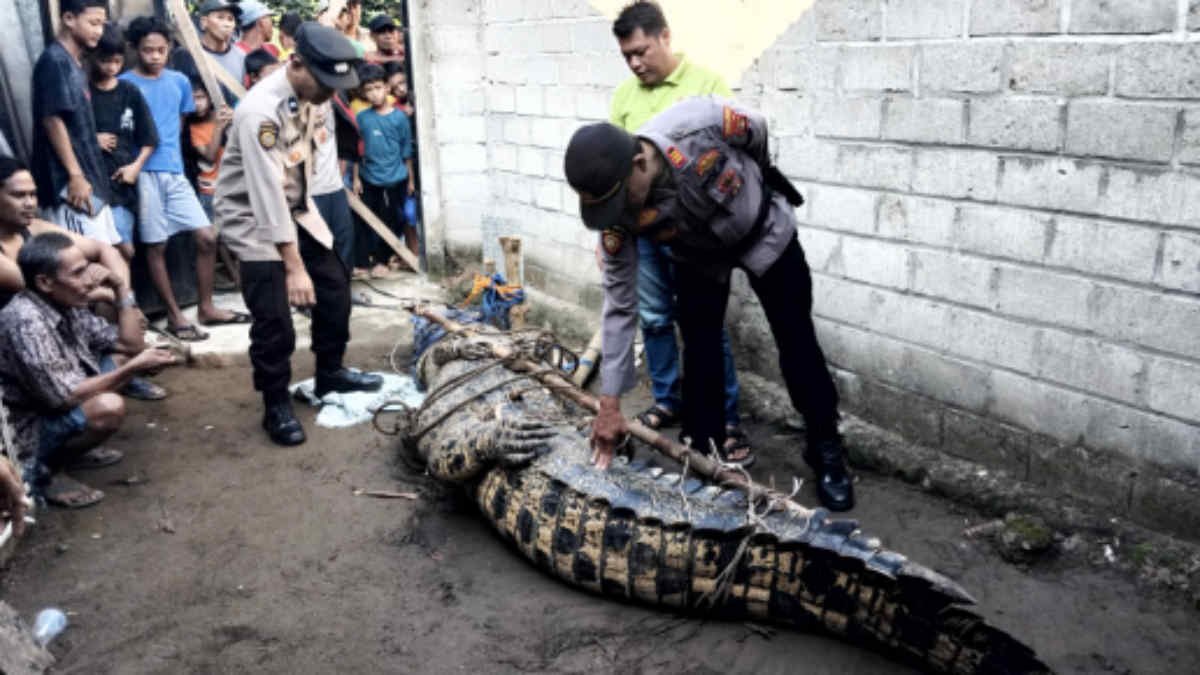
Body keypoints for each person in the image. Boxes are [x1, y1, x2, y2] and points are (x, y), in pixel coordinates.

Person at [564, 98, 855, 511]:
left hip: (764, 233)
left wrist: (754, 184)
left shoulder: (699, 126)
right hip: (698, 257)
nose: (620, 215)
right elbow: (619, 307)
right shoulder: (615, 210)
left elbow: (757, 131)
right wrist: (609, 405)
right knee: (700, 353)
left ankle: (826, 446)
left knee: (796, 341)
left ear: (639, 163)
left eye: (621, 202)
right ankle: (705, 454)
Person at [214, 22, 383, 446]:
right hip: (252, 215)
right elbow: (266, 193)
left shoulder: (312, 94)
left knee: (334, 287)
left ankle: (330, 374)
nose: (330, 93)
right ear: (296, 64)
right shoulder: (259, 112)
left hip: (294, 206)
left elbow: (299, 168)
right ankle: (275, 404)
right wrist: (293, 268)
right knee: (275, 319)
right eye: (325, 82)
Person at [606, 1, 751, 463]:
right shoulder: (625, 97)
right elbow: (613, 172)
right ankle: (668, 398)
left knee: (703, 324)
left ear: (665, 37)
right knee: (652, 318)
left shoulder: (705, 85)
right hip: (644, 232)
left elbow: (732, 155)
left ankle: (725, 416)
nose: (635, 63)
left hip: (696, 235)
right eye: (627, 55)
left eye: (641, 51)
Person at [0, 232, 178, 507]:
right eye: (78, 273)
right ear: (45, 282)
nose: (90, 279)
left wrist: (120, 289)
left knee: (119, 360)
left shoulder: (67, 302)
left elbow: (129, 344)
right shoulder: (26, 321)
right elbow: (62, 399)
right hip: (24, 431)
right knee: (107, 406)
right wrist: (132, 370)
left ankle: (71, 454)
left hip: (54, 401)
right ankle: (46, 473)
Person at [121, 16, 249, 340]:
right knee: (156, 245)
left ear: (170, 49)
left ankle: (206, 307)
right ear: (136, 49)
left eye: (161, 50)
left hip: (175, 172)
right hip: (144, 173)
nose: (155, 56)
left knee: (206, 236)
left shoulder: (178, 81)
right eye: (148, 50)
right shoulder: (124, 84)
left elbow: (178, 126)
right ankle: (175, 316)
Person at [30, 0, 122, 245]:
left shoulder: (76, 64)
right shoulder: (55, 61)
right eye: (93, 23)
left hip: (89, 180)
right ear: (69, 19)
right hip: (68, 187)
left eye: (102, 24)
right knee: (86, 260)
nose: (99, 31)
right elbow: (52, 120)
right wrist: (75, 175)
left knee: (109, 252)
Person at [0, 156, 133, 311]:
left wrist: (124, 296)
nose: (30, 204)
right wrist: (114, 296)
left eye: (33, 194)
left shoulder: (34, 228)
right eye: (18, 195)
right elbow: (37, 287)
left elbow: (105, 250)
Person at [89, 23, 158, 262]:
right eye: (105, 61)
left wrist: (135, 167)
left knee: (124, 249)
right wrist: (91, 139)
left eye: (117, 62)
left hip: (122, 184)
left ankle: (123, 297)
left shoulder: (129, 91)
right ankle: (122, 298)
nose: (111, 68)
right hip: (93, 184)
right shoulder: (83, 92)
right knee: (111, 249)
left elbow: (150, 139)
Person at [353, 63, 416, 276]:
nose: (374, 93)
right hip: (369, 177)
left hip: (397, 176)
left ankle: (382, 259)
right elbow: (357, 151)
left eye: (378, 87)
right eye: (369, 89)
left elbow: (406, 149)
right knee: (367, 219)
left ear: (387, 88)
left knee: (396, 218)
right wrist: (356, 179)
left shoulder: (399, 118)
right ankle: (363, 262)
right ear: (363, 93)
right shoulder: (362, 119)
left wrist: (411, 179)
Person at [183, 80, 233, 219]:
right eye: (192, 99)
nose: (197, 104)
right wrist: (218, 127)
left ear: (210, 97)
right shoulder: (193, 128)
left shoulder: (225, 116)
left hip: (232, 187)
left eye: (200, 97)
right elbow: (210, 156)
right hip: (210, 191)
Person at [172, 0, 246, 90]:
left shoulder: (241, 56)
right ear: (204, 22)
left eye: (230, 19)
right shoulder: (186, 55)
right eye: (220, 17)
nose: (227, 24)